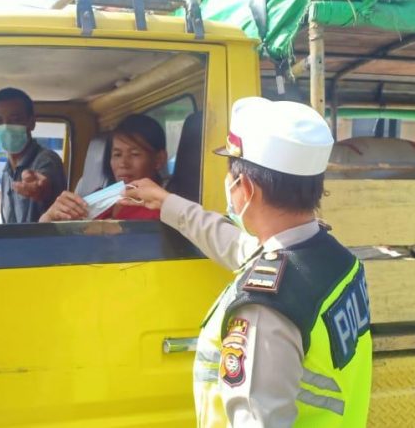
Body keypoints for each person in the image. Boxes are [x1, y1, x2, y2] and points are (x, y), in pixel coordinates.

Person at [121, 97, 372, 427]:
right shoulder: (334, 259)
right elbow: (238, 246)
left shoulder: (264, 310)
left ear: (247, 188)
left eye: (230, 175)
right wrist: (168, 203)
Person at [39, 114, 167, 222]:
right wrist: (50, 217)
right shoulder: (98, 198)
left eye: (134, 154)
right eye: (117, 155)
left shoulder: (163, 210)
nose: (123, 163)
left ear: (159, 159)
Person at [0, 87, 66, 223]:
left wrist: (40, 189)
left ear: (31, 123)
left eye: (15, 120)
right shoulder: (7, 172)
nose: (6, 128)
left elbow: (44, 185)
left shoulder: (46, 160)